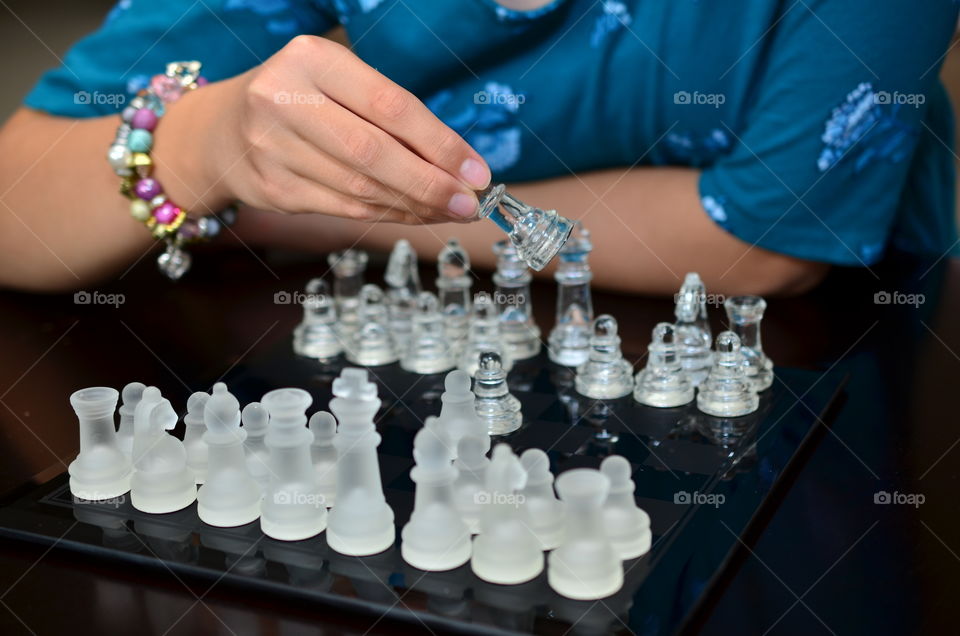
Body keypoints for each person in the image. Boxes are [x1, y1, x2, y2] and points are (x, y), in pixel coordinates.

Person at [0, 0, 956, 295]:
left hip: (853, 375)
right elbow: (16, 212)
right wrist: (203, 144)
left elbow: (763, 243)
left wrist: (289, 206)